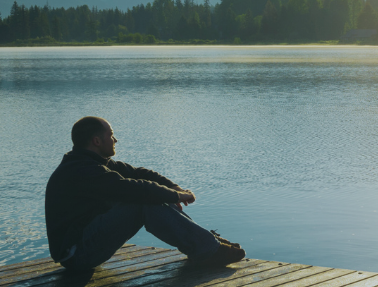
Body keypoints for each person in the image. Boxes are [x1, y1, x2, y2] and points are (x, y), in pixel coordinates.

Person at [45, 116, 245, 270]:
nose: (115, 139)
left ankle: (204, 246)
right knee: (142, 202)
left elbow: (140, 174)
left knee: (151, 195)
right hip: (76, 254)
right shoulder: (81, 170)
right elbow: (133, 189)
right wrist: (174, 197)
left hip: (84, 245)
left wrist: (174, 189)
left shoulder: (92, 163)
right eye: (111, 135)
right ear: (97, 141)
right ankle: (207, 250)